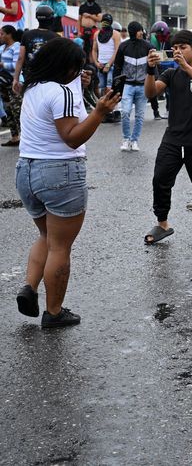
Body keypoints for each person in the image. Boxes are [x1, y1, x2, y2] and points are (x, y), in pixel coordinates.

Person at [14, 38, 120, 327]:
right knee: (60, 247)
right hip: (59, 172)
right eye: (78, 66)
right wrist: (100, 112)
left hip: (26, 170)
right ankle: (54, 312)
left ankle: (30, 287)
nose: (80, 70)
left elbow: (58, 108)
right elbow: (72, 138)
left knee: (47, 237)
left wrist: (80, 88)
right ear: (67, 66)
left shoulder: (33, 88)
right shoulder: (61, 93)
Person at [143, 30, 192, 247]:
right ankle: (162, 224)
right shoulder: (170, 74)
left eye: (183, 47)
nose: (178, 51)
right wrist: (150, 70)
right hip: (173, 138)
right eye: (175, 48)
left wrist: (186, 66)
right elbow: (151, 93)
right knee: (160, 179)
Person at [113, 21, 153, 152]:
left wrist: (153, 86)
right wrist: (116, 87)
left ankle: (134, 140)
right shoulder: (123, 46)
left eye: (142, 30)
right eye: (139, 30)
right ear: (133, 31)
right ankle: (126, 139)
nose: (141, 32)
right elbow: (117, 67)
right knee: (125, 112)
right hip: (127, 85)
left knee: (140, 115)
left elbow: (154, 67)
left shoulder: (148, 46)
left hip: (143, 85)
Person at [1, 25, 22, 144]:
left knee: (17, 110)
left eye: (2, 34)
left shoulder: (16, 47)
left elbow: (16, 66)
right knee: (8, 109)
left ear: (9, 35)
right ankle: (15, 137)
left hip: (14, 82)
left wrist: (2, 65)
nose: (1, 36)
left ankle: (26, 137)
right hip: (3, 82)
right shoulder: (2, 48)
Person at [149, 21, 173, 120]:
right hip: (160, 68)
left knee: (169, 91)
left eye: (158, 33)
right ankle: (161, 110)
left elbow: (171, 54)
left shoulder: (170, 40)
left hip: (170, 67)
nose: (157, 35)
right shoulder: (159, 41)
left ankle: (169, 109)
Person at [92, 14, 121, 92]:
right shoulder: (96, 34)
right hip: (100, 65)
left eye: (107, 21)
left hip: (112, 65)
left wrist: (108, 64)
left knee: (109, 88)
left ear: (110, 22)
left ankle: (111, 104)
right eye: (104, 21)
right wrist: (96, 63)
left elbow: (117, 51)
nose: (105, 23)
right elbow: (94, 50)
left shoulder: (116, 34)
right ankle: (103, 104)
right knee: (101, 88)